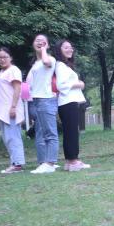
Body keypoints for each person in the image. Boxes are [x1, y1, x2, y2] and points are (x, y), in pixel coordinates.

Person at [53, 40, 90, 171]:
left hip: (68, 102)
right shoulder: (60, 66)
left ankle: (70, 161)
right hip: (67, 102)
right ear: (59, 50)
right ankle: (73, 161)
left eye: (71, 47)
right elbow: (61, 85)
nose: (70, 49)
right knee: (72, 133)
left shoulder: (65, 66)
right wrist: (80, 84)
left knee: (70, 132)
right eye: (66, 47)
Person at [25, 34, 59, 174]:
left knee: (50, 134)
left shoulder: (50, 59)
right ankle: (46, 162)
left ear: (48, 45)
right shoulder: (35, 64)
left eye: (43, 41)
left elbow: (46, 63)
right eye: (37, 41)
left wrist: (44, 50)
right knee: (43, 133)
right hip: (37, 100)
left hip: (46, 99)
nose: (39, 42)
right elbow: (29, 83)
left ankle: (50, 163)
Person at [0, 47, 26, 173]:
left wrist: (13, 107)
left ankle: (17, 164)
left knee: (13, 137)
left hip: (11, 109)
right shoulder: (1, 72)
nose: (2, 60)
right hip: (3, 110)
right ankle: (14, 162)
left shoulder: (13, 70)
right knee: (7, 138)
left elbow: (18, 89)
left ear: (11, 58)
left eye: (4, 57)